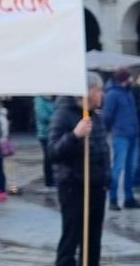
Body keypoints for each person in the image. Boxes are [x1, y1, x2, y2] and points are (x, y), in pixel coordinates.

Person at [50, 72, 110, 266]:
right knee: (71, 238)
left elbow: (102, 148)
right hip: (73, 186)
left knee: (93, 241)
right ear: (90, 91)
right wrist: (74, 135)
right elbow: (53, 151)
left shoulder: (96, 117)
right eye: (100, 90)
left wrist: (106, 178)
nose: (102, 95)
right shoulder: (63, 114)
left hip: (96, 187)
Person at [103, 68, 139, 210]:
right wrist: (109, 130)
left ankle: (128, 198)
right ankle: (113, 199)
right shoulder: (112, 94)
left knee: (131, 167)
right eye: (129, 77)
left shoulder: (128, 92)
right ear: (124, 79)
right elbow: (107, 116)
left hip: (132, 135)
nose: (131, 79)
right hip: (121, 135)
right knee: (118, 167)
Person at [34, 95, 57, 188]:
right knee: (48, 158)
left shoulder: (51, 101)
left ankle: (52, 179)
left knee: (52, 157)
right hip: (45, 134)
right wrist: (56, 117)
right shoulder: (39, 101)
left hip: (53, 132)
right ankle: (49, 181)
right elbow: (43, 117)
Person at [0, 100, 10, 203]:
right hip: (1, 143)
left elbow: (1, 131)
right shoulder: (3, 116)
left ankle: (0, 191)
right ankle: (0, 190)